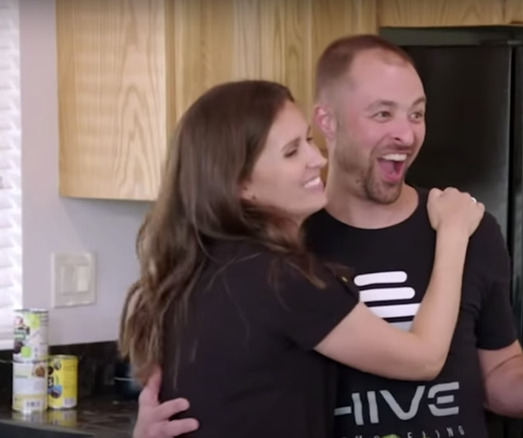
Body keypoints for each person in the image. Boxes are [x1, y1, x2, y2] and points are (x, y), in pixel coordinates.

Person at [132, 35, 523, 438]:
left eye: (417, 113)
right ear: (327, 122)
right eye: (382, 114)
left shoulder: (470, 225)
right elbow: (196, 386)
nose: (406, 133)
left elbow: (498, 369)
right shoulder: (280, 250)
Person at [118, 79, 487, 438]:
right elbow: (423, 358)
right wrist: (453, 234)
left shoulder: (201, 266)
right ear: (240, 184)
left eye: (308, 140)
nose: (318, 158)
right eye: (292, 151)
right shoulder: (278, 279)